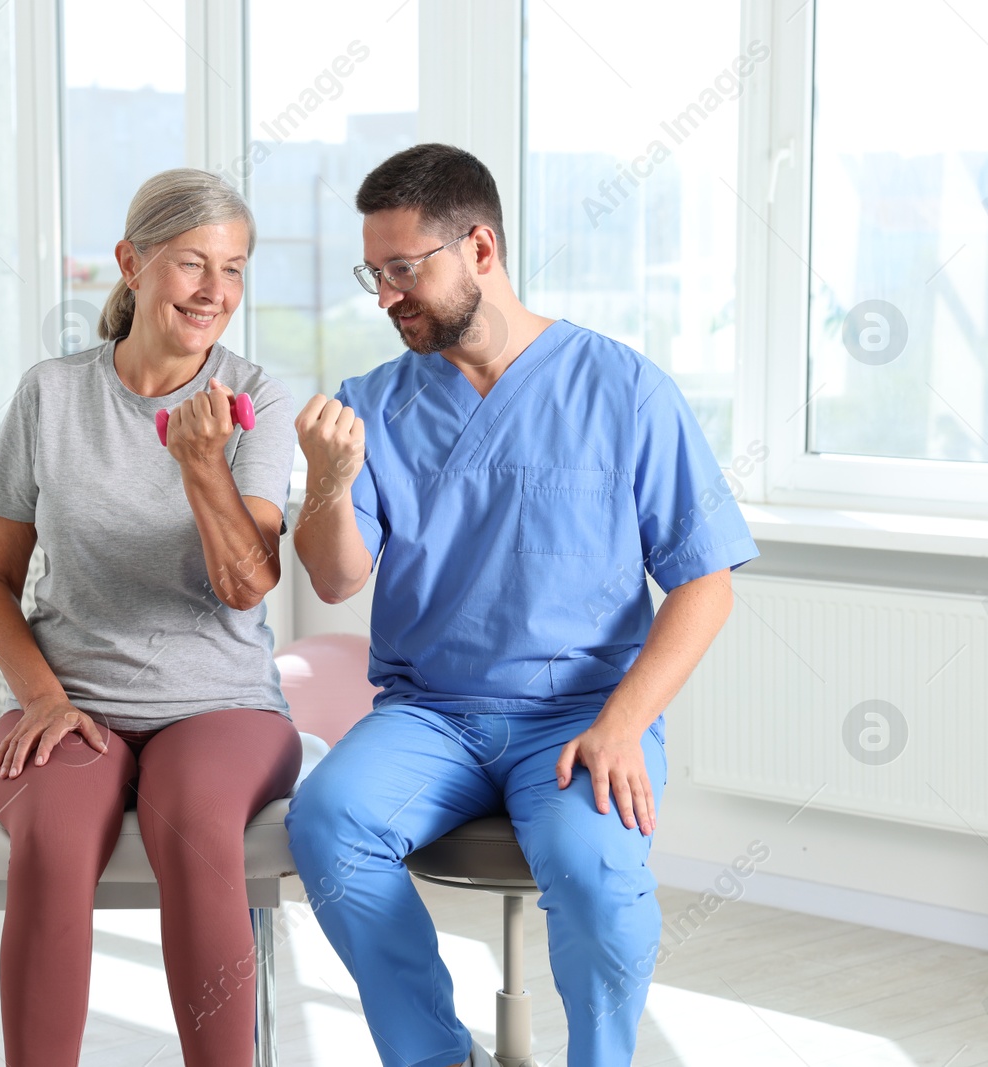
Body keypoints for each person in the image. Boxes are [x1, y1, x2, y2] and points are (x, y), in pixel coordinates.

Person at [285, 143, 759, 1067]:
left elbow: (706, 580)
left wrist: (624, 725)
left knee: (596, 879)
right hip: (433, 715)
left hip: (583, 716)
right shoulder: (372, 405)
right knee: (328, 821)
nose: (385, 296)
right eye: (372, 273)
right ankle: (434, 1053)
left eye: (404, 270)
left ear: (481, 249)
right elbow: (338, 577)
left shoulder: (624, 390)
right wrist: (328, 483)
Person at [0, 168, 301, 1067]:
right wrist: (40, 699)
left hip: (221, 703)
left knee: (194, 825)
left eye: (233, 269)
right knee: (53, 837)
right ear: (131, 264)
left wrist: (203, 467)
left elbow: (245, 584)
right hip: (75, 700)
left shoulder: (256, 401)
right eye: (193, 263)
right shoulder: (52, 395)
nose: (214, 292)